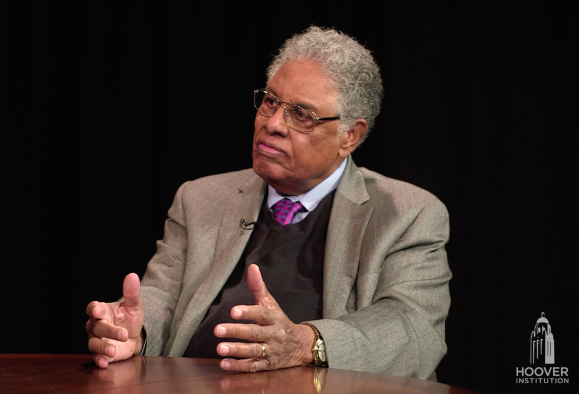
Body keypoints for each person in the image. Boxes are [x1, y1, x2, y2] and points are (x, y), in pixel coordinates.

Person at [86, 25, 452, 381]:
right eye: (271, 102)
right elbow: (160, 296)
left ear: (350, 136)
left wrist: (306, 344)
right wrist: (133, 332)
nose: (273, 123)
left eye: (301, 115)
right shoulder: (200, 199)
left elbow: (412, 328)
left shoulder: (407, 213)